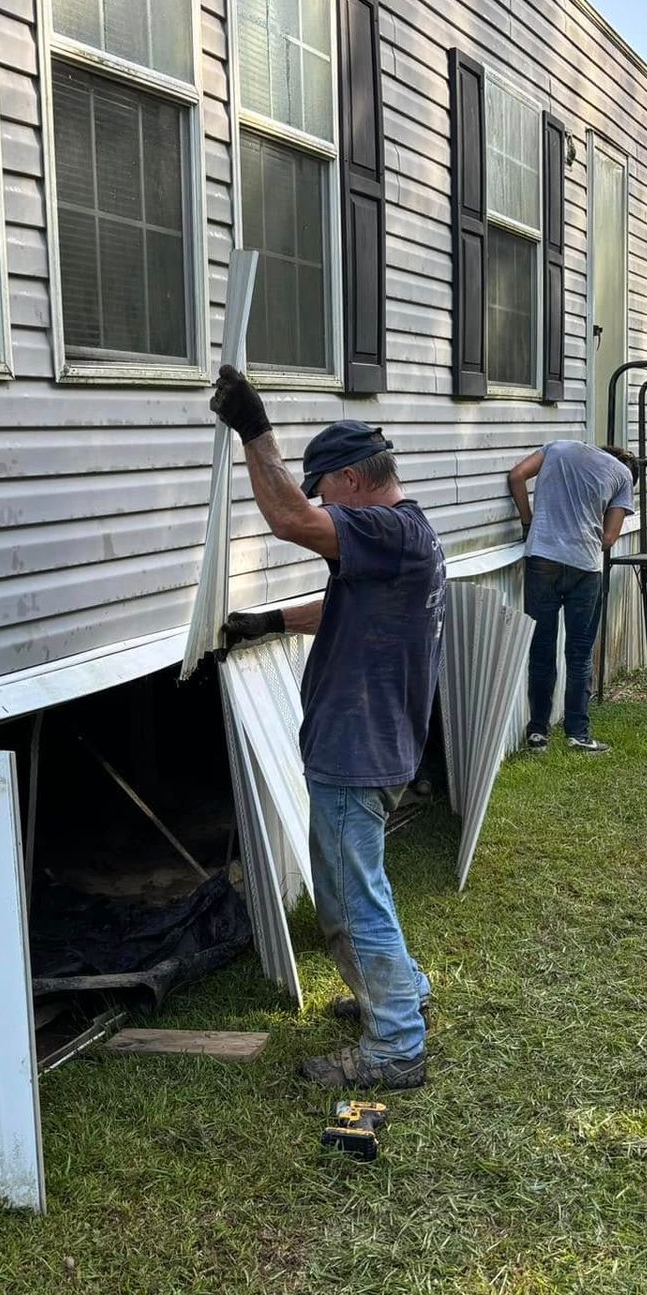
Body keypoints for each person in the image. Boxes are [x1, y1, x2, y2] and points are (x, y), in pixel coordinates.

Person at [209, 367, 443, 1091]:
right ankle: (401, 989)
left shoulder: (383, 529)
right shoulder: (406, 537)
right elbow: (344, 605)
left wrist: (255, 429)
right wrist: (271, 621)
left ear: (348, 481)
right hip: (377, 742)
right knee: (359, 885)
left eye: (321, 489)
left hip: (357, 749)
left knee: (348, 898)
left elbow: (288, 521)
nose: (317, 502)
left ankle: (396, 1044)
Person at [506, 440, 641, 754]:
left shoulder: (559, 447)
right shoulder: (622, 475)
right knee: (579, 654)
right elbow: (608, 538)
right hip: (584, 567)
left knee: (541, 649)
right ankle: (578, 733)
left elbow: (516, 476)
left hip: (541, 557)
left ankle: (537, 733)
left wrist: (528, 522)